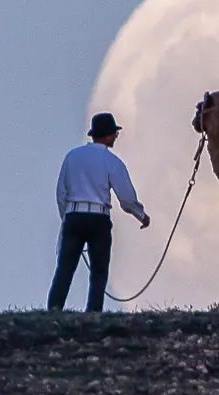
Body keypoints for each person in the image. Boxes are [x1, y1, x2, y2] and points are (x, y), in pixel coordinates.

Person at [47, 112, 151, 312]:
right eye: (114, 134)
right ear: (109, 135)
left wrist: (66, 218)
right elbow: (127, 198)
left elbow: (61, 192)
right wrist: (141, 215)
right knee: (99, 270)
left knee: (65, 268)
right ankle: (93, 312)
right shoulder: (112, 161)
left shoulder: (72, 156)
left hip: (74, 216)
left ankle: (54, 308)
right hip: (99, 218)